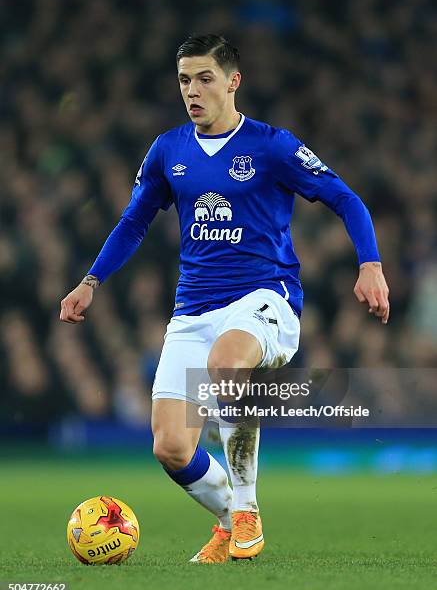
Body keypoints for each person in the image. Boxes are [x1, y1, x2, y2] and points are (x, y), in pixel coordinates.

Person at [60, 34, 390, 563]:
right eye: (185, 80)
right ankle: (224, 522)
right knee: (171, 448)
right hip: (192, 310)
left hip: (266, 299)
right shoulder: (168, 150)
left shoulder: (272, 145)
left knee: (226, 364)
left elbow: (346, 198)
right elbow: (134, 222)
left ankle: (246, 510)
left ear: (233, 82)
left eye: (204, 78)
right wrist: (90, 281)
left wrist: (369, 264)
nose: (192, 90)